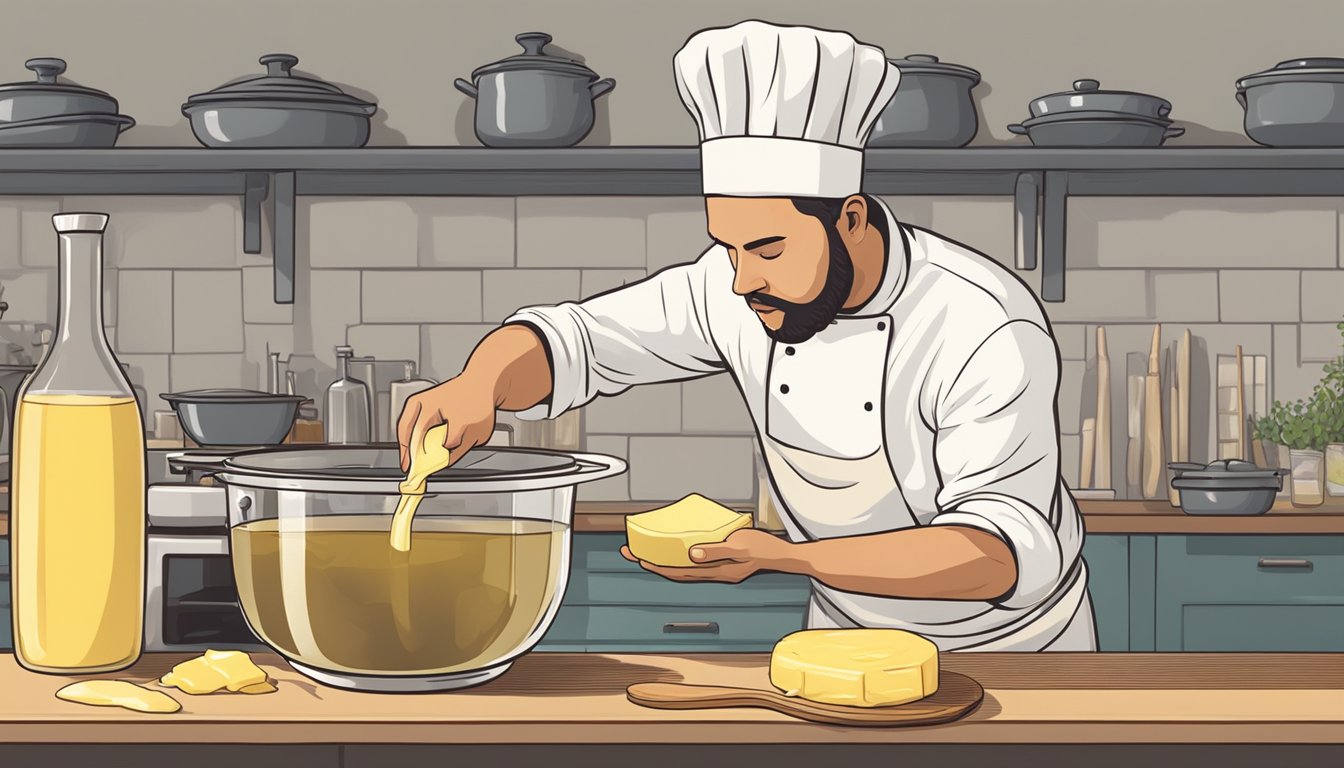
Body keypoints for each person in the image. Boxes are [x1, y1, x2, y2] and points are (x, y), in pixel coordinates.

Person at [398, 20, 1096, 652]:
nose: (739, 281)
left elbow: (996, 553)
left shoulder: (978, 320)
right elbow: (571, 341)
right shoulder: (734, 286)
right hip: (846, 635)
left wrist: (784, 557)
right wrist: (479, 383)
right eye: (727, 248)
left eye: (766, 249)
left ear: (850, 219)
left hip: (1013, 651)